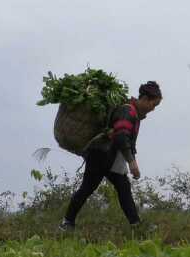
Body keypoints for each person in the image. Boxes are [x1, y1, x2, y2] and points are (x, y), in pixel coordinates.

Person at [59, 81, 163, 231]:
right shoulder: (128, 111)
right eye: (153, 105)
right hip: (100, 154)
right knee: (88, 188)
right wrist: (131, 162)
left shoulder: (134, 114)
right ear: (145, 99)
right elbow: (121, 136)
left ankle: (136, 225)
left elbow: (128, 141)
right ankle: (67, 222)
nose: (153, 109)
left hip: (111, 157)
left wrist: (133, 160)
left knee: (123, 188)